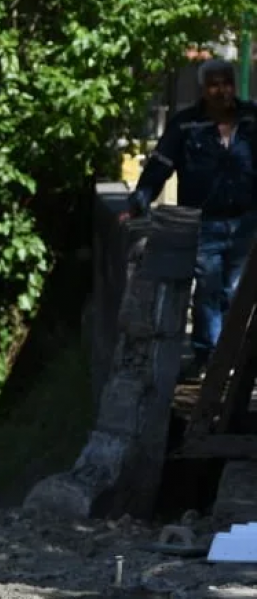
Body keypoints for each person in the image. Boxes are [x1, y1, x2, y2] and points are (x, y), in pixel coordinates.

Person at [127, 57, 257, 380]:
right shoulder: (186, 124)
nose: (221, 90)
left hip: (245, 223)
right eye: (214, 84)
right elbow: (160, 164)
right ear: (203, 88)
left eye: (226, 82)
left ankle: (233, 360)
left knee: (237, 291)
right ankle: (209, 359)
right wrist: (139, 201)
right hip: (205, 224)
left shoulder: (252, 119)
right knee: (209, 290)